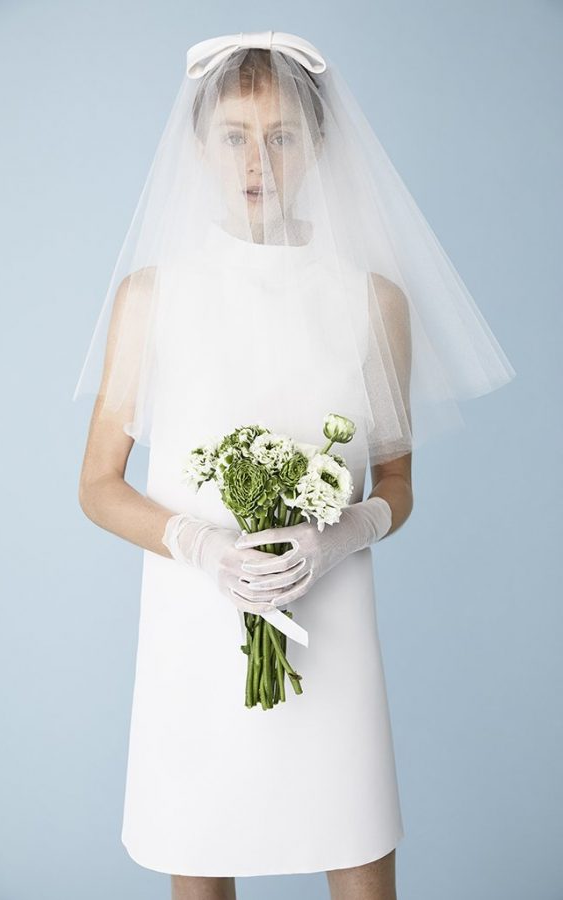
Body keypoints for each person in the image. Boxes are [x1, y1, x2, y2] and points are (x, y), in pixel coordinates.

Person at [73, 31, 515, 900]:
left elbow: (396, 484)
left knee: (354, 842)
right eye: (235, 134)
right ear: (199, 145)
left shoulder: (370, 299)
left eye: (282, 136)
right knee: (199, 846)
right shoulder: (152, 297)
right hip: (195, 617)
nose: (257, 160)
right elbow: (96, 483)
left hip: (331, 613)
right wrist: (200, 544)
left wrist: (341, 534)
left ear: (318, 147)